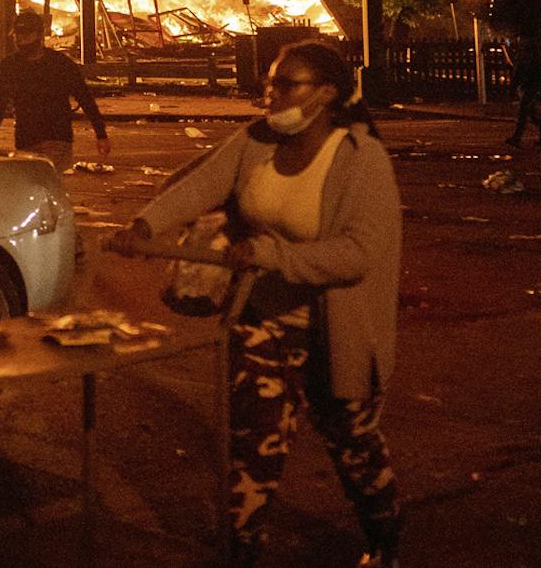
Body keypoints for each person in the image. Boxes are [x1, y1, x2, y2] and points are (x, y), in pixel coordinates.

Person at [107, 41, 404, 567]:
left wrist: (273, 254)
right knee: (252, 450)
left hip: (333, 332)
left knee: (353, 447)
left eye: (287, 84)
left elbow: (358, 253)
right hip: (260, 318)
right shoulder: (255, 140)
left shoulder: (362, 159)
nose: (271, 94)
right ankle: (242, 553)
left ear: (327, 94)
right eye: (269, 83)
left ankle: (386, 543)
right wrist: (145, 224)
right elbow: (201, 183)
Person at [0, 8, 109, 172]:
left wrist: (101, 134)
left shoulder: (60, 64)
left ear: (38, 35)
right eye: (19, 35)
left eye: (27, 35)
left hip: (57, 139)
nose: (22, 40)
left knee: (42, 185)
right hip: (26, 140)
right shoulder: (10, 66)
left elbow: (84, 97)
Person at [504, 36, 541, 146]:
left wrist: (513, 86)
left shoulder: (527, 59)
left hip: (529, 87)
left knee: (523, 112)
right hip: (530, 86)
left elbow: (520, 73)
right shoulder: (531, 58)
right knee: (532, 113)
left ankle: (517, 137)